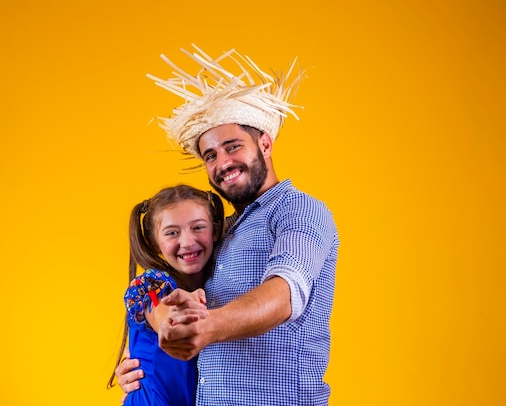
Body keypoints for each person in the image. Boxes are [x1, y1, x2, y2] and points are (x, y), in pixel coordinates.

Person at [116, 46, 340, 405]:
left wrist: (207, 328)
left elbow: (286, 292)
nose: (223, 162)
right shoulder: (221, 234)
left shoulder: (299, 210)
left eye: (233, 146)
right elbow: (168, 310)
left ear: (264, 143)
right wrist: (142, 362)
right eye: (210, 155)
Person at [108, 184, 224, 406]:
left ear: (215, 230)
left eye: (198, 227)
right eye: (172, 232)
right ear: (154, 243)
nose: (188, 242)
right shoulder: (150, 285)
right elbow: (163, 316)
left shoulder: (219, 288)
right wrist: (175, 317)